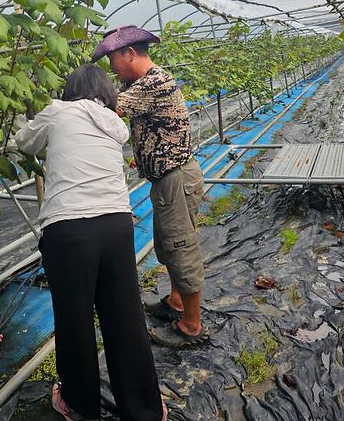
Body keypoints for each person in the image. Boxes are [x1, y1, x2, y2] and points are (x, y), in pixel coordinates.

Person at [15, 63, 166, 421]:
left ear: (71, 89)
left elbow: (25, 143)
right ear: (106, 92)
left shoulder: (57, 111)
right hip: (116, 224)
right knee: (124, 317)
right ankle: (144, 409)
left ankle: (80, 404)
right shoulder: (115, 124)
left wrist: (16, 125)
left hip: (69, 229)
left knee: (75, 320)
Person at [92, 26, 207, 349]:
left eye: (113, 59)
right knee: (168, 245)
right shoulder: (142, 82)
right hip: (167, 178)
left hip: (176, 179)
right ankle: (176, 302)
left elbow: (110, 109)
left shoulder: (154, 82)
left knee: (181, 247)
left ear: (130, 53)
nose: (111, 67)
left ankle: (192, 326)